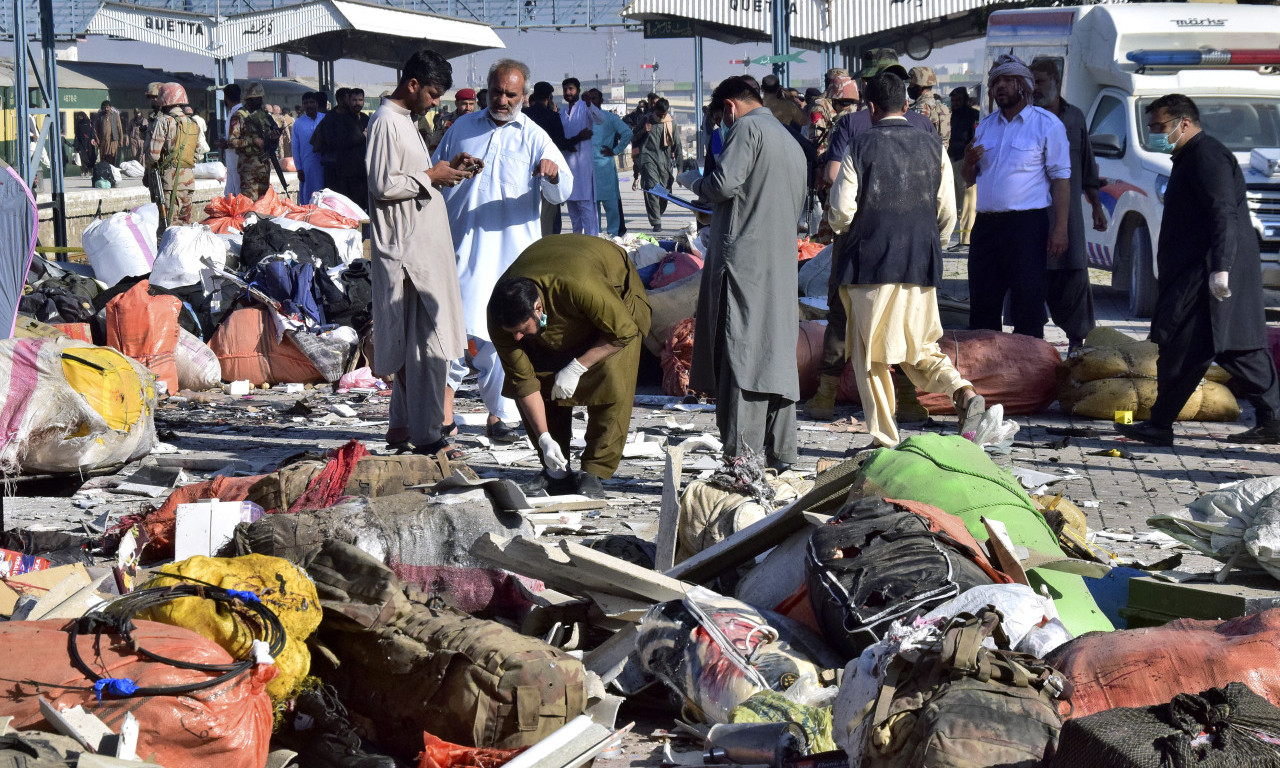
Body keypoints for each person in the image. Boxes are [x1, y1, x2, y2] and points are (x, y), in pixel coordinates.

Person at [827, 73, 985, 447]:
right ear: (905, 104)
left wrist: (842, 228)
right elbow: (947, 211)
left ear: (871, 107)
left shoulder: (860, 145)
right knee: (921, 347)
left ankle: (885, 438)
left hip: (870, 267)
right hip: (921, 264)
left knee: (870, 355)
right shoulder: (933, 146)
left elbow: (841, 210)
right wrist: (930, 245)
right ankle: (962, 391)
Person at [1116, 94, 1280, 446]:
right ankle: (1160, 425)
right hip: (1195, 271)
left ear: (1184, 123)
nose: (1155, 133)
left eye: (1159, 126)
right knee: (1188, 348)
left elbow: (1223, 213)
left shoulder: (1207, 156)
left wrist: (1221, 268)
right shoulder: (1188, 156)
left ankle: (1272, 419)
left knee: (1231, 347)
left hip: (1209, 274)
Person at [432, 58, 572, 444]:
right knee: (451, 332)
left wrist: (553, 173)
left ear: (523, 96)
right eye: (497, 92)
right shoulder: (462, 128)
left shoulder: (535, 136)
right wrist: (451, 168)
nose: (503, 100)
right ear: (487, 91)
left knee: (500, 336)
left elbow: (563, 191)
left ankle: (499, 414)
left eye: (511, 94)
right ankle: (444, 415)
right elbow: (434, 174)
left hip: (510, 256)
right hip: (460, 246)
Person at [678, 77, 806, 469]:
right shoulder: (788, 140)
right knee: (774, 357)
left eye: (721, 119)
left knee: (741, 356)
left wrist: (691, 181)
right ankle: (781, 452)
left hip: (743, 266)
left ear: (730, 107)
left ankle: (741, 458)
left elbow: (723, 184)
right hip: (779, 266)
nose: (722, 126)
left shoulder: (747, 129)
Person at [366, 48, 471, 458]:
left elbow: (408, 178)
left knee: (418, 343)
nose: (435, 102)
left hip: (420, 249)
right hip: (407, 253)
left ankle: (403, 425)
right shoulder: (385, 122)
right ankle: (428, 435)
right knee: (428, 347)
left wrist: (446, 169)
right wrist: (431, 174)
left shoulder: (406, 121)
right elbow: (383, 185)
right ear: (412, 84)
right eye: (432, 93)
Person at [488, 235, 651, 497]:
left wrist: (578, 366)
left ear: (537, 308)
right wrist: (544, 438)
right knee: (540, 376)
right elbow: (524, 382)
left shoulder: (581, 286)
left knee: (612, 376)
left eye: (522, 330)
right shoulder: (500, 316)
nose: (516, 338)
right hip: (565, 291)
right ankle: (556, 472)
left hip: (613, 296)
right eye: (512, 332)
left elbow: (623, 332)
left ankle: (594, 471)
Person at [962, 54, 1070, 339]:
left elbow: (1061, 179)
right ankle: (987, 363)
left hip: (1027, 227)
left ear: (1024, 86)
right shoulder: (986, 126)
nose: (1000, 86)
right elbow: (969, 178)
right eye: (996, 81)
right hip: (986, 227)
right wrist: (968, 163)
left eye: (1008, 80)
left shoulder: (1047, 125)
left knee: (1027, 304)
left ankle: (1030, 364)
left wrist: (1060, 229)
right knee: (983, 304)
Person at [1031, 59, 1108, 351]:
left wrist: (1096, 207)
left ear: (1055, 80)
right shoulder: (1026, 118)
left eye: (1040, 81)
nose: (1035, 88)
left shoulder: (1074, 118)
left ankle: (1077, 344)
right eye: (1031, 82)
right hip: (1033, 217)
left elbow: (1087, 166)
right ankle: (1032, 346)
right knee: (1032, 279)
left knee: (1073, 275)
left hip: (1069, 220)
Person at [146, 83, 200, 234]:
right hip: (189, 182)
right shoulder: (193, 123)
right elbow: (196, 154)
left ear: (164, 99)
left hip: (170, 182)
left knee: (169, 228)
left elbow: (153, 156)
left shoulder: (163, 121)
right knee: (185, 227)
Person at [525, 81, 575, 236]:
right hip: (547, 172)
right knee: (550, 217)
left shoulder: (524, 115)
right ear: (549, 97)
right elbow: (561, 143)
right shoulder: (552, 117)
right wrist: (579, 138)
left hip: (525, 172)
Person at [584, 88, 632, 237]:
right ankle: (595, 237)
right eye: (589, 98)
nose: (592, 101)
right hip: (587, 168)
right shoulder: (582, 119)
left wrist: (616, 150)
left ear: (601, 101)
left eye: (595, 98)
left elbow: (627, 133)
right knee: (592, 208)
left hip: (605, 167)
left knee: (611, 205)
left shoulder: (610, 118)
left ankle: (614, 237)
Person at [313, 87, 369, 206]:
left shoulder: (365, 118)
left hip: (361, 171)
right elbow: (337, 142)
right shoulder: (338, 119)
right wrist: (361, 136)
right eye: (354, 100)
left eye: (360, 100)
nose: (357, 103)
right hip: (341, 172)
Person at [228, 82, 282, 202]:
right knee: (249, 203)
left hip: (263, 167)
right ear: (249, 100)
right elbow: (232, 142)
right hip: (248, 169)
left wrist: (274, 138)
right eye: (257, 99)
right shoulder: (239, 116)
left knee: (263, 203)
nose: (260, 101)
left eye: (260, 98)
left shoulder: (264, 116)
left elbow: (272, 137)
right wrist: (252, 141)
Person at [559, 78, 598, 235]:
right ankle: (577, 243)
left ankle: (592, 242)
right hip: (567, 165)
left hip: (583, 168)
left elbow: (599, 119)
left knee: (586, 210)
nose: (568, 92)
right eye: (565, 89)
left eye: (571, 89)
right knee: (573, 212)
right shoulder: (561, 113)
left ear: (578, 90)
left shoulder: (585, 108)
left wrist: (589, 104)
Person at [636, 98, 681, 232]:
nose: (661, 117)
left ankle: (658, 213)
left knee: (664, 193)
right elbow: (634, 138)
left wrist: (680, 169)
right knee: (652, 188)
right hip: (648, 160)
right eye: (659, 114)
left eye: (664, 114)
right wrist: (643, 131)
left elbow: (678, 147)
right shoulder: (646, 120)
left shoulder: (671, 123)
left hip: (664, 163)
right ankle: (656, 222)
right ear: (654, 110)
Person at [948, 87, 979, 250]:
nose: (956, 103)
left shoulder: (973, 115)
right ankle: (962, 238)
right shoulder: (950, 115)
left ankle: (966, 240)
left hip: (964, 160)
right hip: (951, 160)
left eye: (959, 100)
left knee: (967, 203)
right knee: (957, 203)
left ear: (966, 100)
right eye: (953, 100)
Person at [292, 92, 326, 204]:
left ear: (317, 103)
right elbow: (295, 148)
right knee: (309, 197)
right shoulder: (298, 123)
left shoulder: (325, 119)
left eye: (312, 102)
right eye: (306, 103)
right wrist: (299, 169)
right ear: (302, 105)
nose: (309, 105)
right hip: (307, 167)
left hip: (325, 166)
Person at [907, 66, 950, 151]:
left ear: (919, 87)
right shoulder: (943, 107)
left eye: (911, 84)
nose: (909, 88)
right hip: (939, 155)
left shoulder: (919, 109)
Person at [220, 83, 243, 196]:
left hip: (239, 158)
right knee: (232, 189)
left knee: (239, 189)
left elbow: (240, 138)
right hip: (232, 159)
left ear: (226, 97)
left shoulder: (238, 113)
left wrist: (226, 143)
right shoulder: (232, 112)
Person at [93, 101, 124, 166]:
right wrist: (97, 139)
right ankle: (105, 170)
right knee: (104, 157)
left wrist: (121, 140)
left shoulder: (115, 115)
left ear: (110, 107)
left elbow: (120, 128)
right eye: (104, 108)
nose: (106, 109)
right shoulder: (100, 116)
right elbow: (95, 129)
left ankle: (111, 169)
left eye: (107, 107)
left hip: (113, 140)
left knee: (112, 156)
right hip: (103, 141)